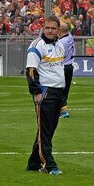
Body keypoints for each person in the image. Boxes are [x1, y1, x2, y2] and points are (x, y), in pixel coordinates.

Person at [25, 16, 67, 174]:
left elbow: (60, 70)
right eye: (47, 28)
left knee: (48, 129)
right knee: (45, 130)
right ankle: (49, 165)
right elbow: (31, 71)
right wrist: (36, 92)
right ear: (43, 28)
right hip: (45, 91)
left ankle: (33, 163)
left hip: (58, 91)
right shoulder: (37, 45)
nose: (50, 31)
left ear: (58, 30)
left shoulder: (60, 46)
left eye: (53, 28)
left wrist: (63, 99)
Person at [58, 19, 75, 119]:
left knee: (59, 90)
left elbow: (60, 55)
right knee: (65, 90)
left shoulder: (62, 42)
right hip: (70, 66)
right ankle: (61, 109)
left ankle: (63, 111)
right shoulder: (70, 37)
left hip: (63, 67)